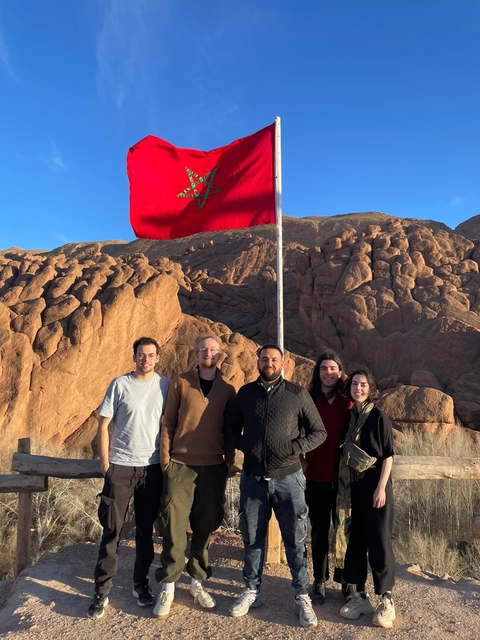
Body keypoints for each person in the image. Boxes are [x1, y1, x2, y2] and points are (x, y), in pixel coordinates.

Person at [224, 344, 327, 629]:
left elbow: (319, 432)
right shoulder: (246, 394)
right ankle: (251, 591)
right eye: (264, 359)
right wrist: (244, 444)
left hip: (289, 480)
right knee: (252, 538)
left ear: (283, 363)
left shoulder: (297, 394)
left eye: (274, 359)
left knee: (295, 539)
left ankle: (301, 595)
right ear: (257, 361)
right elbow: (230, 428)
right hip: (253, 478)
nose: (268, 363)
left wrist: (295, 448)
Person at [153, 335, 236, 619]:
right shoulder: (181, 382)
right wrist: (166, 459)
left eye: (213, 350)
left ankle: (197, 582)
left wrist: (229, 461)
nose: (208, 354)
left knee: (205, 527)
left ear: (220, 354)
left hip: (213, 466)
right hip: (180, 464)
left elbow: (229, 430)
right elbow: (168, 421)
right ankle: (169, 585)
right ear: (196, 353)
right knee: (174, 527)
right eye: (203, 350)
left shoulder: (227, 390)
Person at [87, 337, 171, 619]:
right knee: (112, 530)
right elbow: (103, 424)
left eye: (150, 355)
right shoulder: (119, 384)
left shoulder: (166, 385)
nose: (145, 359)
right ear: (133, 356)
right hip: (120, 467)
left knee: (145, 531)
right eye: (140, 355)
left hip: (152, 468)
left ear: (158, 357)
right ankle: (101, 591)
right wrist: (106, 465)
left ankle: (140, 584)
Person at [335, 367, 396, 629]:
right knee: (356, 540)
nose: (358, 388)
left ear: (370, 389)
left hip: (374, 485)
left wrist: (381, 488)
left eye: (363, 385)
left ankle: (386, 599)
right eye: (354, 384)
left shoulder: (378, 416)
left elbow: (388, 456)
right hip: (352, 487)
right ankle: (360, 596)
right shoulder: (350, 416)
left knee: (379, 540)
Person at [303, 351, 352, 605]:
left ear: (340, 372)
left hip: (344, 479)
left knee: (343, 531)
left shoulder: (349, 401)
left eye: (333, 368)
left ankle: (345, 581)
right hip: (316, 477)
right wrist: (300, 459)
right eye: (324, 368)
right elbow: (294, 429)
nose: (328, 372)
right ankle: (319, 580)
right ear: (318, 373)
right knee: (320, 531)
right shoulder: (309, 400)